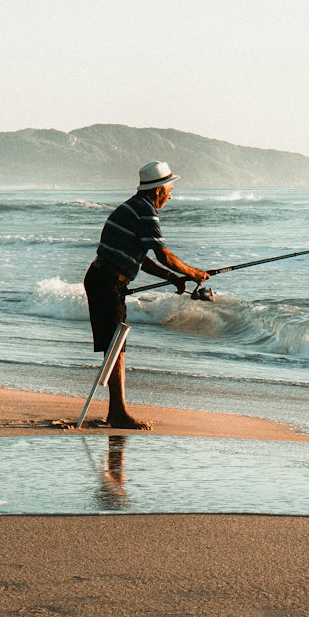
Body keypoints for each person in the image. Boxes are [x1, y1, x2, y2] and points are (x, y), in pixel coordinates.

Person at [83, 160, 209, 429]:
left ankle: (115, 411)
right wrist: (193, 272)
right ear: (158, 190)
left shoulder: (134, 208)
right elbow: (163, 254)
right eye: (170, 189)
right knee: (115, 348)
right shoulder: (145, 212)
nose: (172, 195)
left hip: (106, 281)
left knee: (116, 347)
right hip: (105, 282)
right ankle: (117, 413)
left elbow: (143, 259)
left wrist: (173, 277)